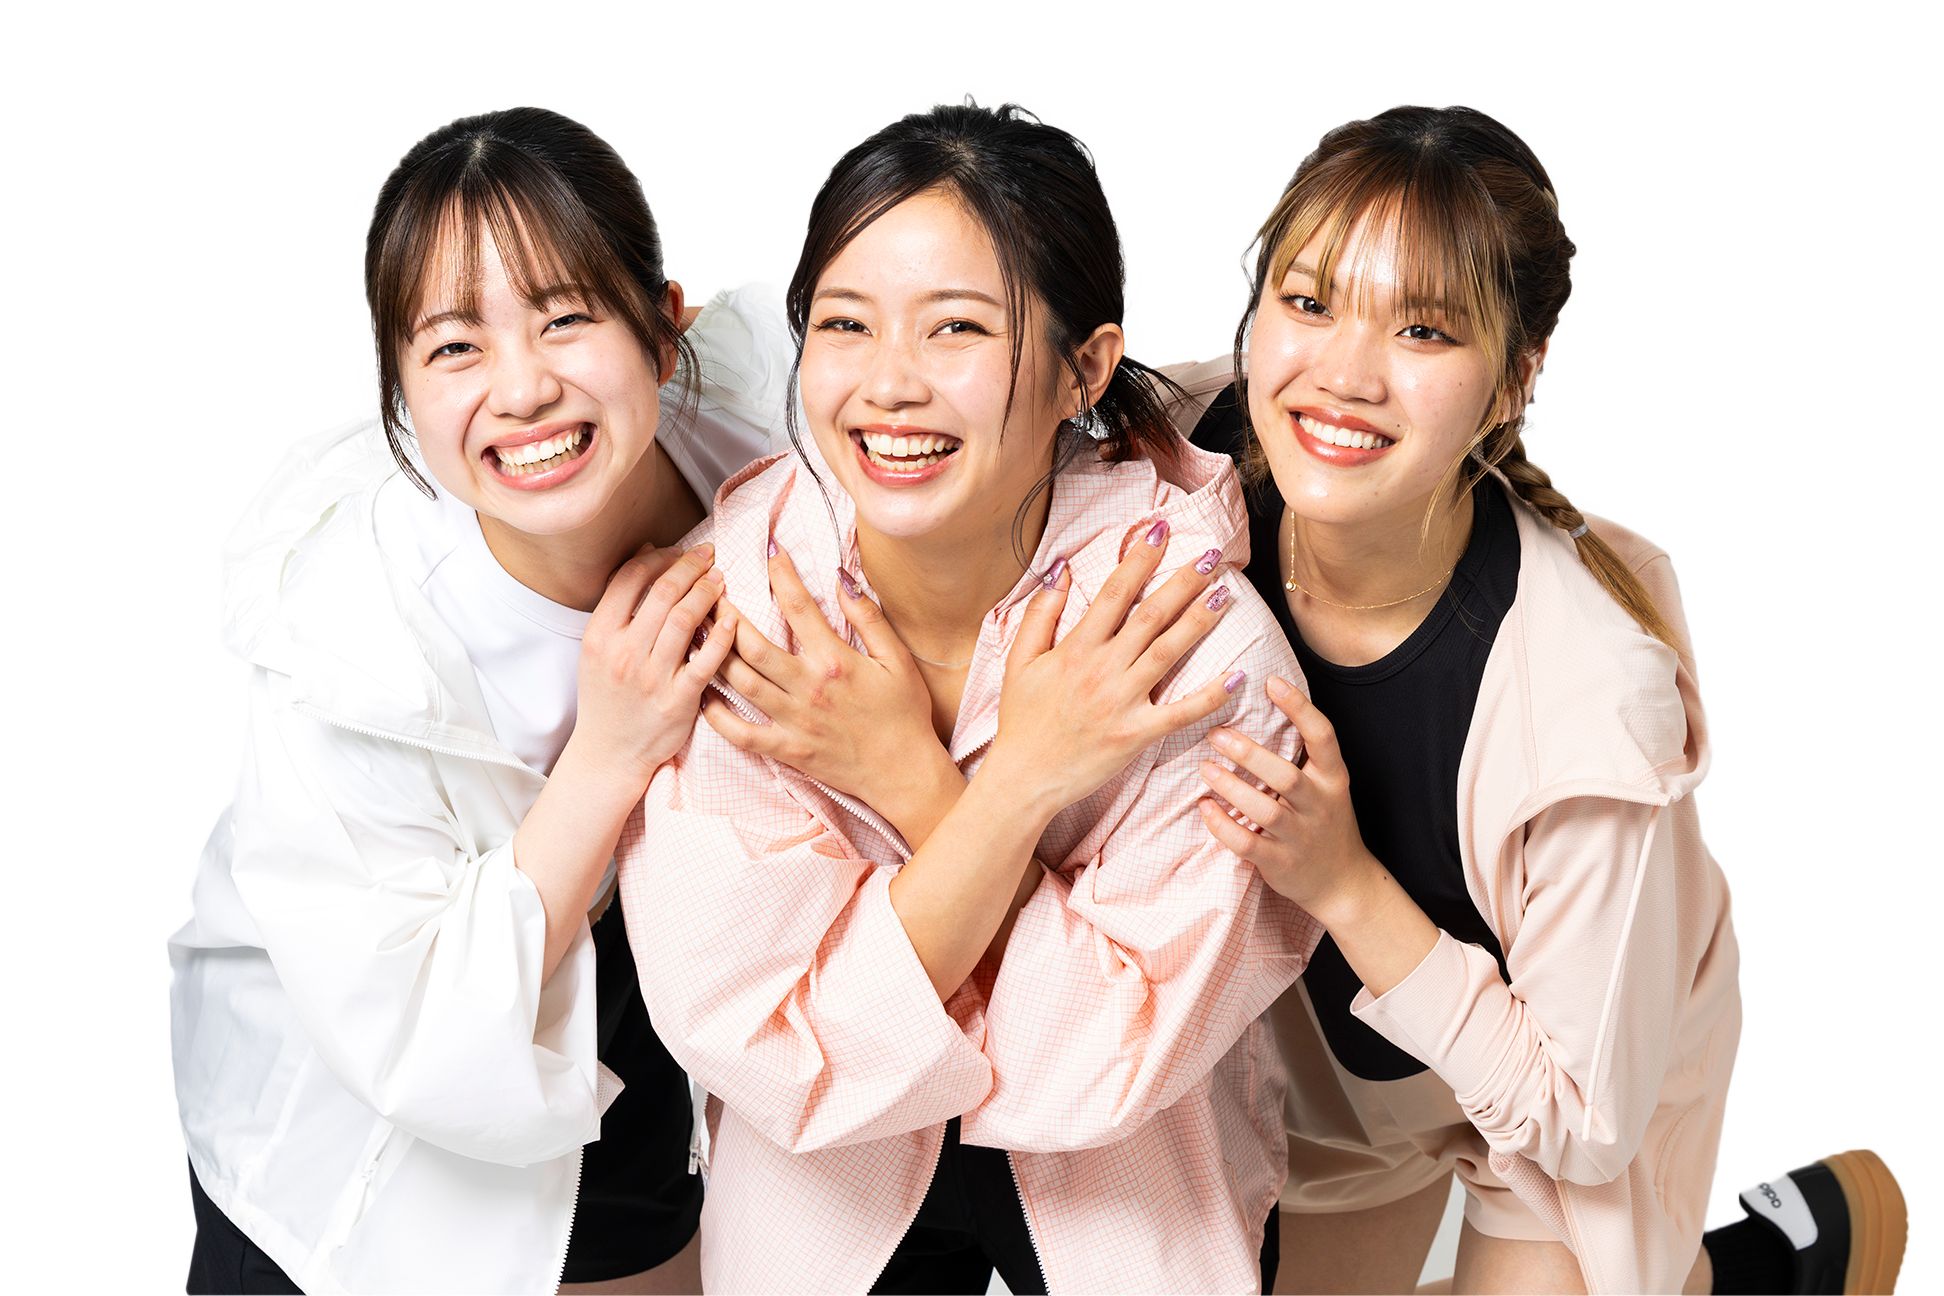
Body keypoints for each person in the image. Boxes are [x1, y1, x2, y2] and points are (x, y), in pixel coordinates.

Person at [1179, 103, 1908, 1296]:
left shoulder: (1589, 695)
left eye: (1423, 328)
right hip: (1335, 1083)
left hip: (1562, 1091)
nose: (1343, 376)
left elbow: (1579, 1116)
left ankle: (1763, 1267)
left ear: (1517, 374)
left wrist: (1346, 882)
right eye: (1308, 302)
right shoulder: (1185, 456)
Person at [615, 97, 1320, 1296]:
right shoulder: (736, 609)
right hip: (818, 1195)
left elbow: (1110, 1055)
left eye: (955, 329)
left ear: (1083, 368)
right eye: (845, 323)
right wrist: (1017, 796)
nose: (890, 385)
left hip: (1133, 1192)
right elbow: (771, 1043)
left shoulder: (1195, 650)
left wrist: (912, 783)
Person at [168, 106, 785, 1295]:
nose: (524, 389)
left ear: (665, 329)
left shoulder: (766, 410)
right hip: (376, 1098)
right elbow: (416, 1033)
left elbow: (974, 397)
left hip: (643, 972)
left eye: (566, 319)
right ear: (400, 387)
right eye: (455, 348)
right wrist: (610, 751)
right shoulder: (347, 647)